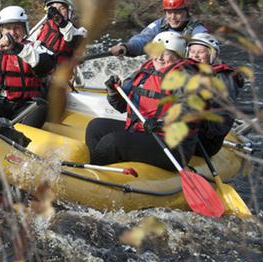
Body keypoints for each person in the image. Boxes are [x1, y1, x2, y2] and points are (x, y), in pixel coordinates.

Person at [85, 32, 199, 171]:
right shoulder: (147, 69)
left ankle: (94, 176)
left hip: (171, 145)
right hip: (143, 131)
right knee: (96, 127)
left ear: (179, 56)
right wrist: (113, 91)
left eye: (166, 53)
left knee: (111, 142)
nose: (160, 57)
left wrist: (161, 123)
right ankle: (101, 168)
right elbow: (121, 105)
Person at [187, 33, 245, 156]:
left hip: (206, 140)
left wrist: (195, 121)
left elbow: (220, 125)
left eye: (201, 52)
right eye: (192, 51)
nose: (195, 56)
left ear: (212, 54)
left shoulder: (222, 78)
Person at [109, 0, 210, 57]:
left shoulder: (198, 30)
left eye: (178, 12)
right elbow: (143, 39)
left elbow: (204, 50)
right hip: (161, 67)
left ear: (186, 11)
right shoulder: (160, 24)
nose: (173, 17)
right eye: (169, 13)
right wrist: (125, 47)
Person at [29, 0, 88, 68]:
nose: (57, 12)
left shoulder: (80, 32)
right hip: (40, 76)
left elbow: (76, 44)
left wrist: (61, 21)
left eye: (62, 8)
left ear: (69, 11)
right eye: (54, 9)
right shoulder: (40, 29)